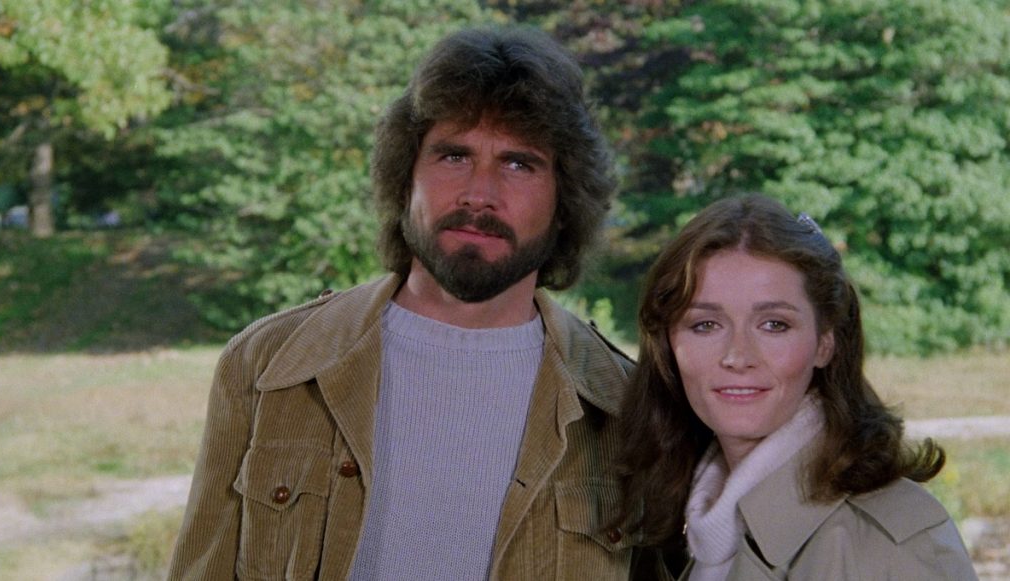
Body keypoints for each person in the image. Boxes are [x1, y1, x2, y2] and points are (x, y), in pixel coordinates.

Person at [168, 25, 644, 581]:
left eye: (519, 163)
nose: (480, 193)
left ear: (566, 200)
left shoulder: (628, 407)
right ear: (404, 178)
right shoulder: (266, 364)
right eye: (454, 155)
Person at [617, 194, 977, 580]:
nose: (737, 356)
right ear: (668, 345)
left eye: (774, 324)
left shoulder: (892, 547)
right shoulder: (701, 530)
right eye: (705, 325)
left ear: (825, 342)